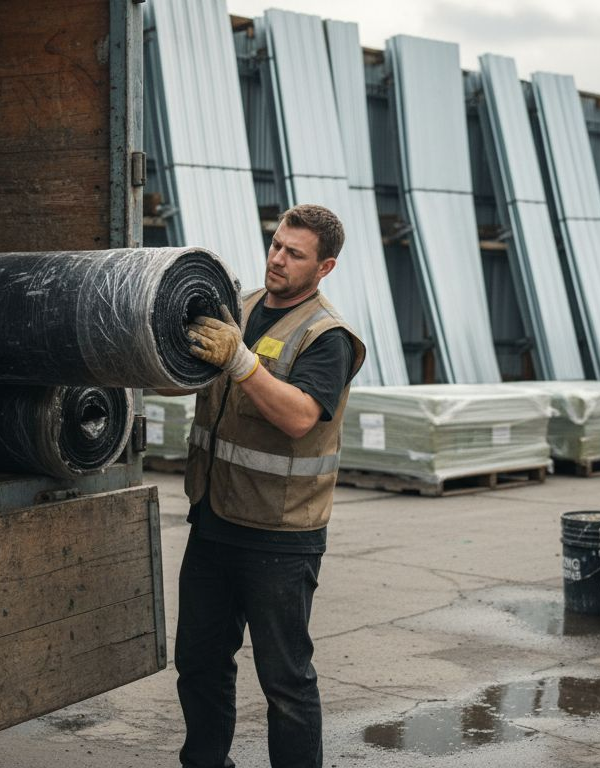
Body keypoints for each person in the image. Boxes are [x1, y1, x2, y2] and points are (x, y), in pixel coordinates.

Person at [175, 203, 365, 768]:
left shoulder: (327, 336)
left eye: (294, 253)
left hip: (280, 538)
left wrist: (239, 360)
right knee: (200, 663)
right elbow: (199, 382)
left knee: (285, 683)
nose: (277, 259)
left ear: (324, 267)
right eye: (276, 244)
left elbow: (302, 416)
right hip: (213, 519)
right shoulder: (242, 308)